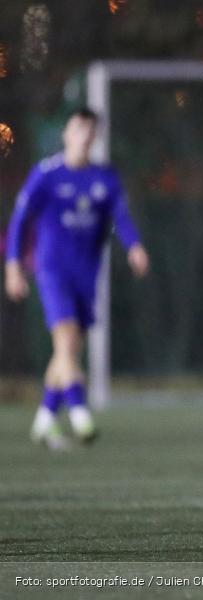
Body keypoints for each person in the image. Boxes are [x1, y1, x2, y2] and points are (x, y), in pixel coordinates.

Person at [4, 108, 149, 450]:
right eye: (78, 128)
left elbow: (121, 217)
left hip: (87, 276)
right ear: (66, 134)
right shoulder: (47, 174)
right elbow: (20, 220)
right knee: (66, 341)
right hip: (52, 271)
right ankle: (81, 414)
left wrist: (135, 246)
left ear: (95, 136)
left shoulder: (105, 177)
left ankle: (44, 421)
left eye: (90, 130)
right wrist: (13, 266)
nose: (84, 135)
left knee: (67, 351)